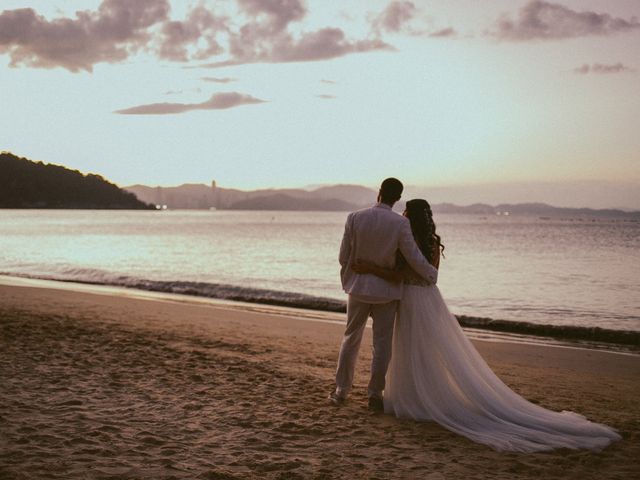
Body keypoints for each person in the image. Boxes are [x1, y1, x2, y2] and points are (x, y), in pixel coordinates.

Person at [351, 199, 621, 452]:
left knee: (412, 349)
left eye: (405, 213)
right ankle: (420, 395)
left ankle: (416, 398)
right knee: (425, 349)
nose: (402, 216)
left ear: (410, 217)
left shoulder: (407, 243)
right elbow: (432, 277)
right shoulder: (432, 241)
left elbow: (406, 274)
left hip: (411, 299)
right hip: (428, 299)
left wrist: (369, 269)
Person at [330, 178, 439, 412]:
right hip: (386, 293)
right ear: (397, 198)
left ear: (379, 192)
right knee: (382, 345)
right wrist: (430, 274)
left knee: (351, 338)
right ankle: (375, 393)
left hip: (358, 289)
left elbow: (343, 256)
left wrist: (351, 278)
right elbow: (413, 257)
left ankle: (341, 390)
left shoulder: (354, 217)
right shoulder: (400, 224)